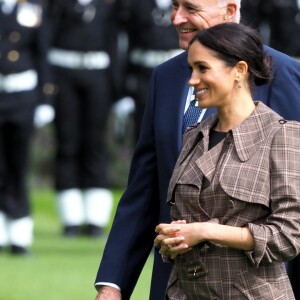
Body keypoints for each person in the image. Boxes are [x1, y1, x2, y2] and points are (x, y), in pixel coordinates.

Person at [94, 1, 300, 299]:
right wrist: (114, 283)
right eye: (175, 5)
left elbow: (291, 219)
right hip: (176, 287)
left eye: (190, 7)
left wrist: (207, 231)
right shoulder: (165, 76)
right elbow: (145, 188)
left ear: (230, 11)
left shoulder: (286, 77)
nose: (177, 18)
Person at [154, 22, 300, 300]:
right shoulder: (193, 136)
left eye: (203, 68)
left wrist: (208, 232)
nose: (192, 80)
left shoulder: (282, 135)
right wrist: (173, 237)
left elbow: (288, 237)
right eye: (191, 69)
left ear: (239, 71)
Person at [47, 0, 118, 238]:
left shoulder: (108, 5)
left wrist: (118, 89)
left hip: (97, 75)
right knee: (67, 144)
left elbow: (115, 41)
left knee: (95, 144)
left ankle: (95, 218)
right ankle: (71, 219)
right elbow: (45, 39)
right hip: (63, 75)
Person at [0, 0, 54, 255]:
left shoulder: (30, 10)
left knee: (18, 166)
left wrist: (45, 99)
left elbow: (42, 54)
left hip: (22, 96)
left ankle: (19, 234)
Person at [114, 0, 182, 142]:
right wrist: (123, 92)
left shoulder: (186, 4)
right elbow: (124, 43)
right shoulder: (136, 5)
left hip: (180, 74)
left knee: (178, 133)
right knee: (144, 133)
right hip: (145, 76)